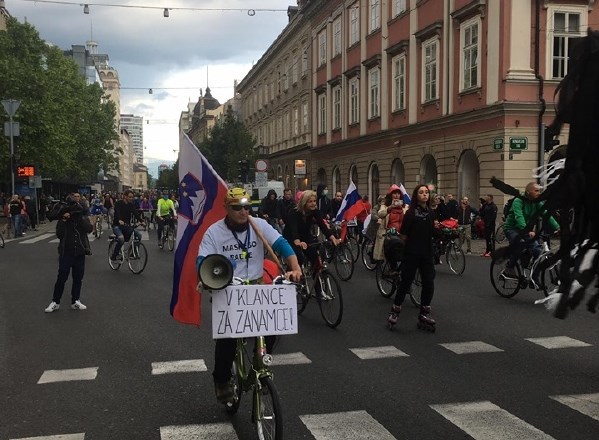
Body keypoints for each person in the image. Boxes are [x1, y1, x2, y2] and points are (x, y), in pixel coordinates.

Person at [196, 188, 302, 402]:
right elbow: (203, 261)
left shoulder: (259, 225)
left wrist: (295, 267)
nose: (244, 211)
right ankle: (222, 380)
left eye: (247, 207)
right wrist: (208, 278)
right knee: (227, 338)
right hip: (228, 287)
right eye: (237, 208)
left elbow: (281, 244)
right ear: (226, 208)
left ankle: (259, 364)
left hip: (256, 285)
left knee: (271, 328)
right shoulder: (214, 232)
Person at [387, 184, 437, 331]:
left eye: (426, 192)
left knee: (428, 283)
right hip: (412, 253)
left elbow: (432, 231)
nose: (425, 195)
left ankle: (424, 313)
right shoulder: (411, 213)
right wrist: (410, 245)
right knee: (405, 283)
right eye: (421, 192)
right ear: (416, 196)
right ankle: (395, 312)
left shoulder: (431, 213)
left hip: (427, 253)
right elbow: (403, 235)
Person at [45, 194, 93, 313]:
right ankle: (55, 301)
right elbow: (59, 234)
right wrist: (64, 219)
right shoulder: (63, 219)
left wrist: (79, 218)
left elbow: (89, 229)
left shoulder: (81, 216)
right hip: (66, 252)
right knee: (62, 277)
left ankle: (75, 300)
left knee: (78, 278)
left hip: (80, 252)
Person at [502, 182, 559, 279]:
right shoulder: (518, 201)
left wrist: (557, 227)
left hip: (526, 230)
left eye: (539, 191)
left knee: (538, 252)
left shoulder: (537, 202)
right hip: (512, 228)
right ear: (528, 192)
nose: (539, 193)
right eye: (536, 191)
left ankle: (534, 277)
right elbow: (518, 217)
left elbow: (546, 214)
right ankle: (509, 267)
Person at [283, 190, 340, 270]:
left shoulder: (314, 211)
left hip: (305, 236)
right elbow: (294, 230)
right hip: (291, 238)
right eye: (310, 201)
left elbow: (322, 225)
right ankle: (292, 277)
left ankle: (319, 279)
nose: (313, 203)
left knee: (316, 258)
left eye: (314, 201)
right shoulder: (294, 212)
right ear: (304, 202)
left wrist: (333, 238)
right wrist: (298, 242)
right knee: (298, 258)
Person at [373, 185, 406, 273]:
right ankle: (393, 268)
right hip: (389, 232)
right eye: (394, 193)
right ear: (390, 195)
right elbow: (380, 213)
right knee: (393, 247)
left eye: (398, 194)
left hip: (401, 233)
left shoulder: (404, 206)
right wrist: (390, 207)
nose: (396, 196)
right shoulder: (385, 205)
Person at [110, 189, 145, 261]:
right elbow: (117, 212)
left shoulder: (131, 205)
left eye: (132, 197)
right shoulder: (118, 203)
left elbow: (135, 213)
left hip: (127, 226)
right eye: (129, 197)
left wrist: (141, 221)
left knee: (138, 235)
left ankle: (133, 253)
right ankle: (114, 255)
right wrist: (119, 220)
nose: (131, 198)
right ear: (125, 196)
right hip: (117, 226)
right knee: (121, 239)